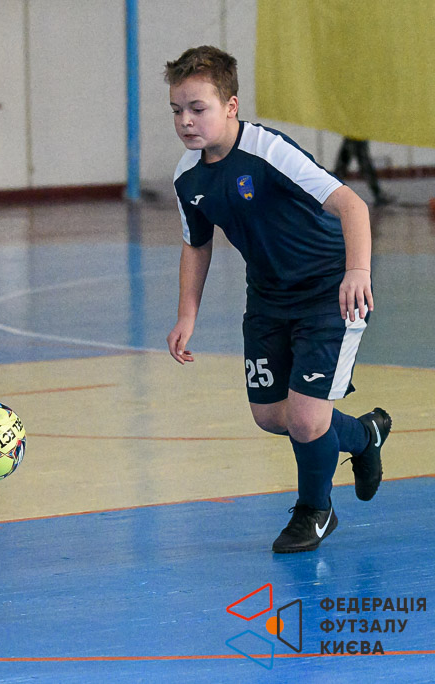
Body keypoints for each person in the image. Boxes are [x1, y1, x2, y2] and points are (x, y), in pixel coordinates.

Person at [163, 46, 391, 553]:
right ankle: (365, 436)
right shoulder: (187, 177)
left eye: (197, 108)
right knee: (272, 416)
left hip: (328, 292)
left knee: (307, 419)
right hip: (267, 299)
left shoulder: (267, 151)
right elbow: (196, 244)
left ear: (231, 106)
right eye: (177, 110)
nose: (185, 121)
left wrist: (357, 271)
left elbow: (351, 205)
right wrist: (186, 314)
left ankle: (315, 510)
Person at [333, 137, 395, 207]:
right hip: (357, 135)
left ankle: (329, 192)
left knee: (344, 163)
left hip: (355, 134)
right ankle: (378, 194)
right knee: (362, 163)